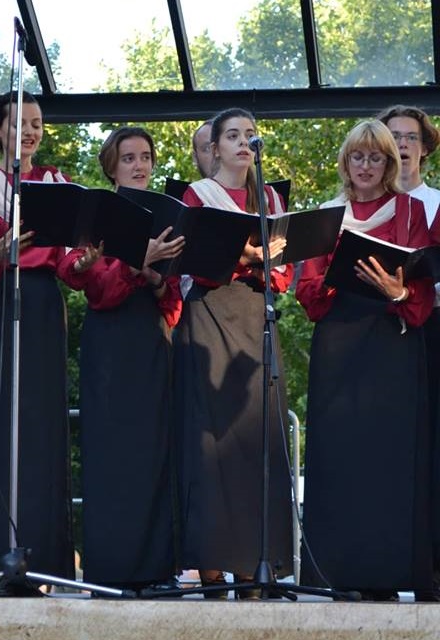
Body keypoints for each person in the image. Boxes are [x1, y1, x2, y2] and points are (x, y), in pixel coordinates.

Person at [296, 119, 436, 601]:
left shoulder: (411, 210)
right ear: (345, 161)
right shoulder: (327, 214)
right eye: (357, 156)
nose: (366, 166)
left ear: (390, 163)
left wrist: (398, 291)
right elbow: (307, 291)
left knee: (389, 460)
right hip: (338, 342)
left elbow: (422, 287)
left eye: (376, 157)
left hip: (391, 341)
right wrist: (337, 277)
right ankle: (339, 574)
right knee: (340, 458)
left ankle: (387, 575)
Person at [57, 126, 185, 594]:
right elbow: (99, 293)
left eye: (145, 156)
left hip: (152, 341)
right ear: (111, 166)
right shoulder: (96, 215)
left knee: (155, 455)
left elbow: (174, 304)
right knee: (111, 457)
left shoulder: (169, 216)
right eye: (128, 157)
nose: (139, 165)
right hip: (110, 347)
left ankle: (158, 572)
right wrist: (137, 263)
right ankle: (111, 571)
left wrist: (155, 277)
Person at [174, 107, 294, 599]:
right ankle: (211, 570)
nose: (244, 142)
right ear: (215, 147)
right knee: (210, 443)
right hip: (209, 316)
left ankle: (252, 568)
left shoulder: (271, 198)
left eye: (250, 134)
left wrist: (262, 265)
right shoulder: (197, 195)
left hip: (255, 316)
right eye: (233, 135)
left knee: (255, 439)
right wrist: (244, 257)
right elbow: (193, 261)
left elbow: (285, 271)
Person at [0, 90, 75, 593]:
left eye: (36, 124)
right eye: (18, 123)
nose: (28, 132)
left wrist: (86, 260)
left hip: (45, 304)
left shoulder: (56, 184)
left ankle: (41, 564)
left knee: (42, 434)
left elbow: (68, 264)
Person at [376, 105, 440, 602]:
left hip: (432, 328)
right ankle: (378, 564)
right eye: (393, 136)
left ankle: (430, 567)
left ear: (425, 147)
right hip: (376, 333)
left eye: (410, 137)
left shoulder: (436, 204)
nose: (401, 144)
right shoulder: (367, 202)